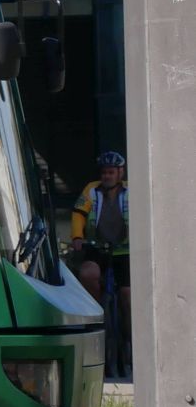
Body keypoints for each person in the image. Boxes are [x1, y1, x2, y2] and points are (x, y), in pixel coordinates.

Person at [70, 150, 132, 374]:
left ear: (120, 172)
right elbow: (78, 213)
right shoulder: (91, 190)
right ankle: (97, 313)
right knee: (88, 274)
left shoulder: (131, 191)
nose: (106, 176)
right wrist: (77, 237)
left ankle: (130, 340)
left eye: (111, 172)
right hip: (97, 248)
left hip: (125, 251)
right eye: (104, 172)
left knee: (127, 296)